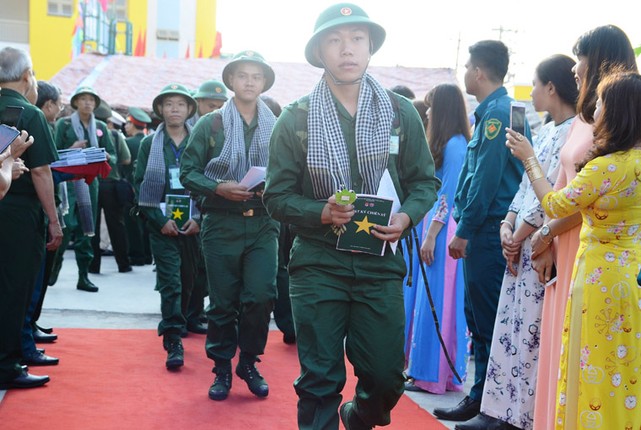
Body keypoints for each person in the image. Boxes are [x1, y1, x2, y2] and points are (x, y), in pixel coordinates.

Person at [263, 4, 440, 428]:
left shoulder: (400, 112)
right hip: (317, 263)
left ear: (370, 47)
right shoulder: (297, 117)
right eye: (335, 40)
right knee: (320, 378)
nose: (347, 49)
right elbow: (276, 196)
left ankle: (359, 415)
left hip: (380, 262)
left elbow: (424, 183)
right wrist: (320, 211)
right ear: (319, 51)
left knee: (385, 378)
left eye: (357, 39)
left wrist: (408, 218)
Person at [506, 69, 641, 430]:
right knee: (626, 371)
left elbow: (554, 204)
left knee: (592, 370)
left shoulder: (606, 167)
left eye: (601, 103)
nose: (594, 109)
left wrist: (530, 159)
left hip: (599, 282)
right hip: (633, 280)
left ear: (618, 111)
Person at [476, 54, 578, 430]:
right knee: (513, 334)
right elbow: (524, 187)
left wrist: (519, 236)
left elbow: (551, 193)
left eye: (536, 84)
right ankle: (503, 412)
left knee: (533, 340)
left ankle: (523, 416)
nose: (532, 92)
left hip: (538, 244)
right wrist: (507, 224)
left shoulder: (572, 133)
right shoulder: (550, 129)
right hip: (522, 240)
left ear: (551, 87)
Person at [433, 40, 530, 426]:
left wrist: (465, 230)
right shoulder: (502, 110)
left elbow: (485, 181)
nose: (465, 74)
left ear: (478, 71)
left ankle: (493, 407)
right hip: (490, 227)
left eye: (468, 67)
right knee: (480, 319)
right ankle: (481, 397)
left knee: (488, 320)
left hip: (490, 229)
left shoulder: (496, 115)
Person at [180, 50, 279, 401]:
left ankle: (248, 361)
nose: (250, 81)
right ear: (231, 82)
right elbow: (188, 172)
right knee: (223, 303)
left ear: (265, 82)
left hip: (264, 223)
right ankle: (222, 366)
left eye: (256, 76)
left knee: (261, 296)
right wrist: (218, 187)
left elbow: (289, 169)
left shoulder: (276, 123)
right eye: (242, 75)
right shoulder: (213, 123)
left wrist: (274, 184)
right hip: (221, 222)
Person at [0, 46, 62, 389]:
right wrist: (54, 221)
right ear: (27, 76)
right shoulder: (29, 113)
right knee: (14, 290)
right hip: (18, 214)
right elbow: (41, 173)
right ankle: (8, 365)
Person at [404, 83, 470, 395]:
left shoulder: (456, 146)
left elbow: (449, 194)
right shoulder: (449, 144)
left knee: (438, 301)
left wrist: (431, 235)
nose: (426, 111)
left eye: (431, 106)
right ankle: (422, 370)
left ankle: (434, 374)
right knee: (428, 298)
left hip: (442, 231)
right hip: (433, 226)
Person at [134, 83, 201, 369]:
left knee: (188, 279)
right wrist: (160, 221)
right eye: (169, 104)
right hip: (161, 223)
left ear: (189, 110)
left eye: (181, 104)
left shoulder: (198, 141)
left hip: (192, 221)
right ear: (160, 109)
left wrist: (199, 218)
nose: (175, 109)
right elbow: (139, 184)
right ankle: (173, 338)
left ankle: (181, 320)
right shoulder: (150, 144)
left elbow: (209, 180)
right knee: (171, 282)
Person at [53, 86, 116, 292]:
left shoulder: (100, 126)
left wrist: (106, 157)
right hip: (67, 182)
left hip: (90, 183)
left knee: (87, 228)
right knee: (66, 225)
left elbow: (114, 156)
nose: (88, 103)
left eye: (91, 99)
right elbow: (52, 155)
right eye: (83, 99)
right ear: (76, 103)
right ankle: (53, 269)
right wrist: (72, 149)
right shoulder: (63, 124)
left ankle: (83, 276)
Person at [90, 99, 132, 274]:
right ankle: (123, 264)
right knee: (116, 225)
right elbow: (127, 159)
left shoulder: (82, 133)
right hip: (110, 184)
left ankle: (94, 265)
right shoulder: (114, 135)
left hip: (90, 182)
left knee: (91, 225)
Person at [123, 107, 153, 267]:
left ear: (133, 124)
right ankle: (148, 255)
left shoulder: (127, 143)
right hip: (150, 188)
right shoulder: (151, 141)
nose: (125, 126)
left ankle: (137, 256)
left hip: (131, 188)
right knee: (148, 222)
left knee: (133, 224)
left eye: (127, 123)